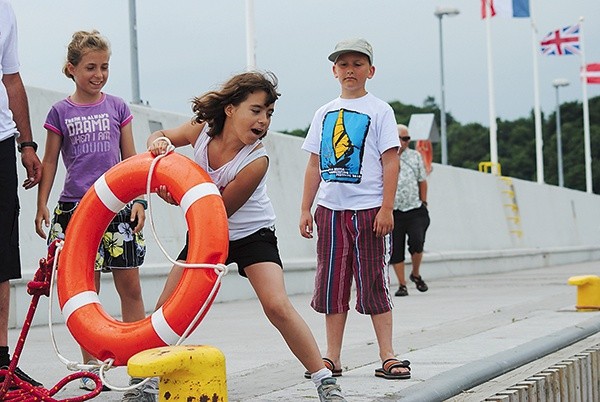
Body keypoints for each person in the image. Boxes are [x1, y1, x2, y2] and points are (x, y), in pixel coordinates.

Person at [147, 71, 346, 402]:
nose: (263, 120)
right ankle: (148, 384)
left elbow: (218, 210)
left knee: (277, 306)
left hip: (253, 234)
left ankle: (326, 383)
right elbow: (160, 135)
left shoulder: (256, 160)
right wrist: (159, 144)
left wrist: (177, 193)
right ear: (230, 109)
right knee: (167, 307)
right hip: (205, 235)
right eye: (256, 110)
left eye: (268, 113)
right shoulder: (201, 129)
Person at [33, 30, 150, 399]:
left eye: (104, 67)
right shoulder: (60, 112)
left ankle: (137, 364)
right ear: (71, 69)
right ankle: (91, 366)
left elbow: (131, 158)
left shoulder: (117, 107)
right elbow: (50, 161)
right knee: (87, 293)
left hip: (117, 208)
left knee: (129, 286)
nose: (98, 74)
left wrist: (139, 200)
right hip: (76, 210)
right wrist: (41, 204)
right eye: (90, 67)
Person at [299, 38, 411, 381]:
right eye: (344, 64)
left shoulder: (380, 110)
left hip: (369, 210)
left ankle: (387, 354)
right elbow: (315, 163)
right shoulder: (324, 112)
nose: (350, 70)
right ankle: (331, 356)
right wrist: (306, 208)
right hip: (330, 210)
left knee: (374, 281)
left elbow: (390, 162)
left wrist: (387, 208)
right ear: (334, 71)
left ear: (370, 71)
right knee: (332, 283)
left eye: (358, 64)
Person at [0, 0, 43, 389]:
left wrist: (26, 143)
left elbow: (11, 78)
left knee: (1, 252)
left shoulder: (4, 10)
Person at [391, 124, 430, 297]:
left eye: (407, 139)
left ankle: (415, 273)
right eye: (402, 138)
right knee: (396, 248)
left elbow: (422, 180)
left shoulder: (415, 157)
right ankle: (402, 284)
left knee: (417, 241)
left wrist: (424, 201)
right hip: (393, 210)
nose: (405, 142)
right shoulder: (385, 155)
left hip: (414, 208)